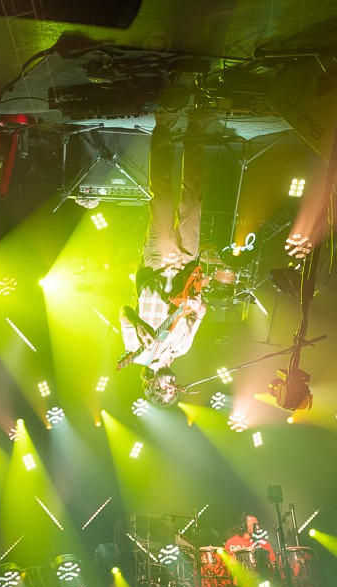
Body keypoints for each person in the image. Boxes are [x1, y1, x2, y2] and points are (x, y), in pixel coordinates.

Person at [118, 109, 214, 406]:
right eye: (174, 390)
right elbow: (201, 313)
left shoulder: (139, 354)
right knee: (193, 199)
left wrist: (139, 326)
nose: (172, 385)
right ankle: (197, 125)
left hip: (158, 263)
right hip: (186, 264)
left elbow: (123, 312)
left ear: (152, 385)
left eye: (166, 389)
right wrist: (197, 306)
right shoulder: (182, 349)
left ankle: (163, 125)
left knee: (161, 198)